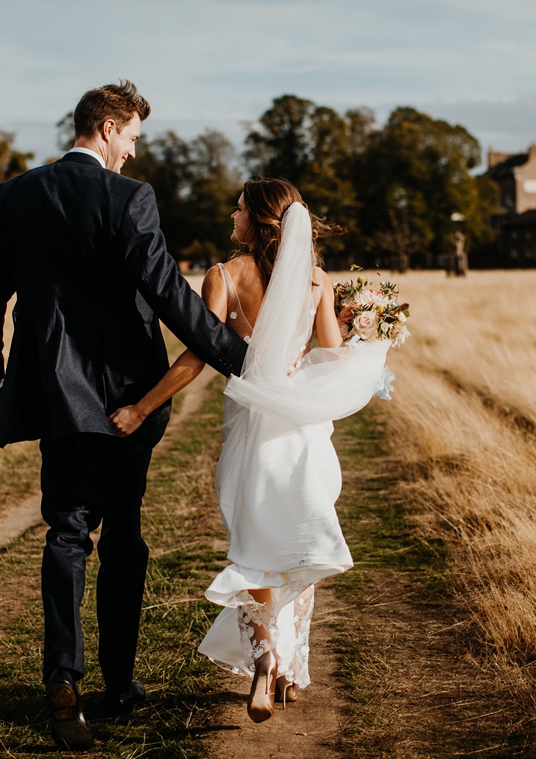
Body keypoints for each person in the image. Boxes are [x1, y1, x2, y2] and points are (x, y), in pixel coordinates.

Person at [0, 81, 248, 751]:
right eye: (131, 137)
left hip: (53, 396)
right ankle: (119, 687)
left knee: (66, 534)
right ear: (107, 125)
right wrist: (242, 358)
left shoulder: (17, 194)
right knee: (124, 536)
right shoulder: (129, 198)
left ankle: (63, 683)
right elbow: (170, 296)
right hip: (128, 397)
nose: (132, 152)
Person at [109, 179, 391, 723]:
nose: (231, 215)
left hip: (252, 430)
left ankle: (264, 664)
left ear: (259, 220)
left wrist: (141, 408)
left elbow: (196, 356)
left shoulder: (223, 276)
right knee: (300, 545)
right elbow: (330, 358)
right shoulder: (315, 281)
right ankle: (286, 670)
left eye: (238, 209)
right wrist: (368, 338)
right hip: (305, 432)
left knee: (256, 544)